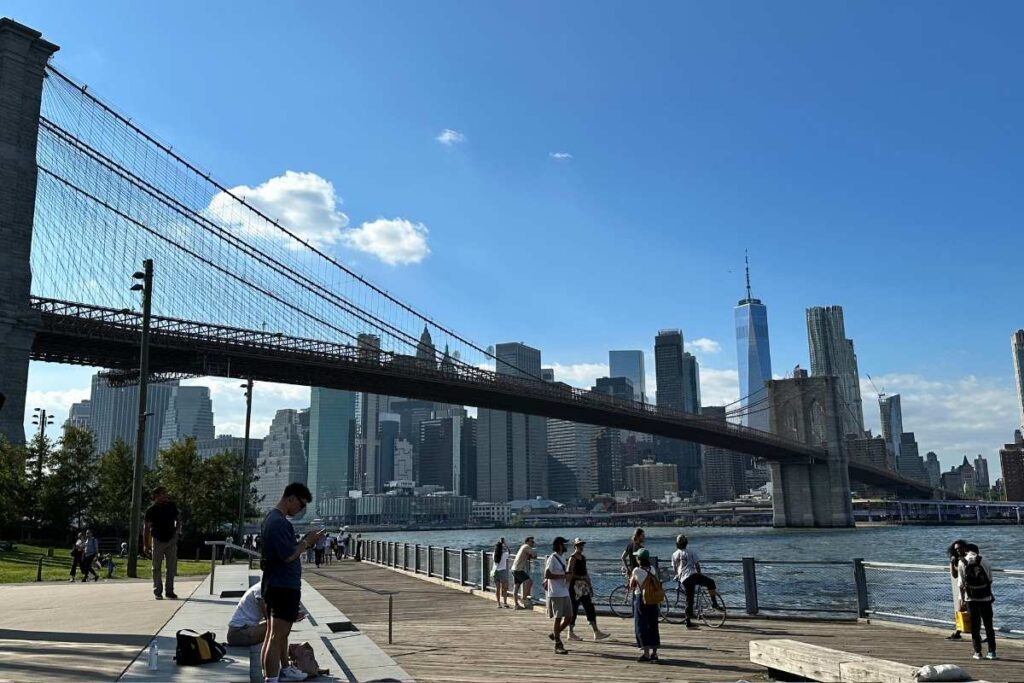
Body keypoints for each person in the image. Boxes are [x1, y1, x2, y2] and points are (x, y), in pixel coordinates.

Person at [260, 482, 324, 683]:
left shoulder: (271, 519)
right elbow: (288, 555)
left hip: (276, 584)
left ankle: (280, 671)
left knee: (274, 634)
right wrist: (307, 542)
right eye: (301, 504)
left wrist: (305, 541)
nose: (301, 509)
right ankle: (271, 679)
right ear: (291, 498)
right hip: (283, 587)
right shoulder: (280, 523)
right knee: (276, 636)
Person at [671, 534, 720, 629]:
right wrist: (699, 574)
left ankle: (688, 621)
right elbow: (697, 565)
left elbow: (675, 568)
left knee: (689, 599)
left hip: (683, 579)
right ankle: (714, 603)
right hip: (692, 575)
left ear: (677, 544)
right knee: (711, 582)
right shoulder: (691, 552)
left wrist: (678, 575)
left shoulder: (674, 554)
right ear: (686, 543)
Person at [566, 538, 609, 642]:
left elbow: (586, 573)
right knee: (574, 609)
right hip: (575, 586)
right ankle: (570, 632)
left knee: (589, 607)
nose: (581, 547)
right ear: (575, 546)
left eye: (582, 545)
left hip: (584, 586)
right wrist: (579, 579)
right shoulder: (572, 558)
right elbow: (569, 573)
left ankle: (596, 631)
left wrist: (590, 586)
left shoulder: (583, 558)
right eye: (579, 545)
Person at [958, 548, 997, 660]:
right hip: (985, 598)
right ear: (977, 551)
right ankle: (992, 652)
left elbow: (961, 584)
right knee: (989, 626)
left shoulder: (962, 562)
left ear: (967, 552)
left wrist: (962, 600)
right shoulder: (984, 560)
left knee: (975, 627)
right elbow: (990, 579)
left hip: (971, 599)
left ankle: (977, 652)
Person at [144, 486, 180, 600]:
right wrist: (146, 545)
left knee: (171, 567)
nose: (165, 496)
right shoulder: (151, 510)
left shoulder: (171, 506)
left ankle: (169, 591)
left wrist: (177, 531)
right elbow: (146, 528)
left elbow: (178, 519)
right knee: (156, 567)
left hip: (171, 539)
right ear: (156, 496)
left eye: (165, 493)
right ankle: (158, 591)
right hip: (158, 540)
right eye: (163, 494)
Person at [628, 548, 661, 663]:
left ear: (639, 559)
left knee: (641, 625)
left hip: (641, 600)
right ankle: (654, 653)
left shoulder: (636, 570)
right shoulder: (652, 568)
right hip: (653, 600)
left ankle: (646, 654)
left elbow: (631, 585)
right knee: (653, 625)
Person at [544, 536, 573, 655]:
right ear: (560, 545)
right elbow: (547, 574)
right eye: (564, 544)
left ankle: (555, 634)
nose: (566, 545)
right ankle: (557, 644)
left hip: (564, 591)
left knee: (569, 617)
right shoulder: (552, 558)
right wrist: (562, 576)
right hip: (556, 592)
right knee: (558, 618)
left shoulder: (562, 557)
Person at [946, 539, 970, 640]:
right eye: (956, 549)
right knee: (961, 610)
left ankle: (958, 633)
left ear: (965, 547)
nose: (958, 550)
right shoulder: (958, 560)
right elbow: (955, 575)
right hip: (962, 590)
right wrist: (952, 563)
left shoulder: (969, 559)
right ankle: (958, 632)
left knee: (970, 611)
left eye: (960, 548)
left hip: (970, 590)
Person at [511, 536, 537, 609]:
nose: (533, 543)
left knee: (516, 586)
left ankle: (516, 605)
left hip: (514, 569)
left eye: (533, 542)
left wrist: (528, 556)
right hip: (518, 569)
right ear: (527, 542)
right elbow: (535, 555)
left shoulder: (522, 547)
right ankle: (524, 598)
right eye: (532, 542)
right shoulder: (526, 546)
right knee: (529, 582)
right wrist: (531, 556)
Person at [492, 537, 511, 608]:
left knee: (497, 588)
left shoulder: (494, 554)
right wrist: (505, 544)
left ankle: (498, 603)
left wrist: (499, 544)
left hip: (495, 571)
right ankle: (505, 603)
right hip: (502, 571)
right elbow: (509, 552)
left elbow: (496, 550)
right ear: (502, 547)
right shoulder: (504, 554)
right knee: (504, 588)